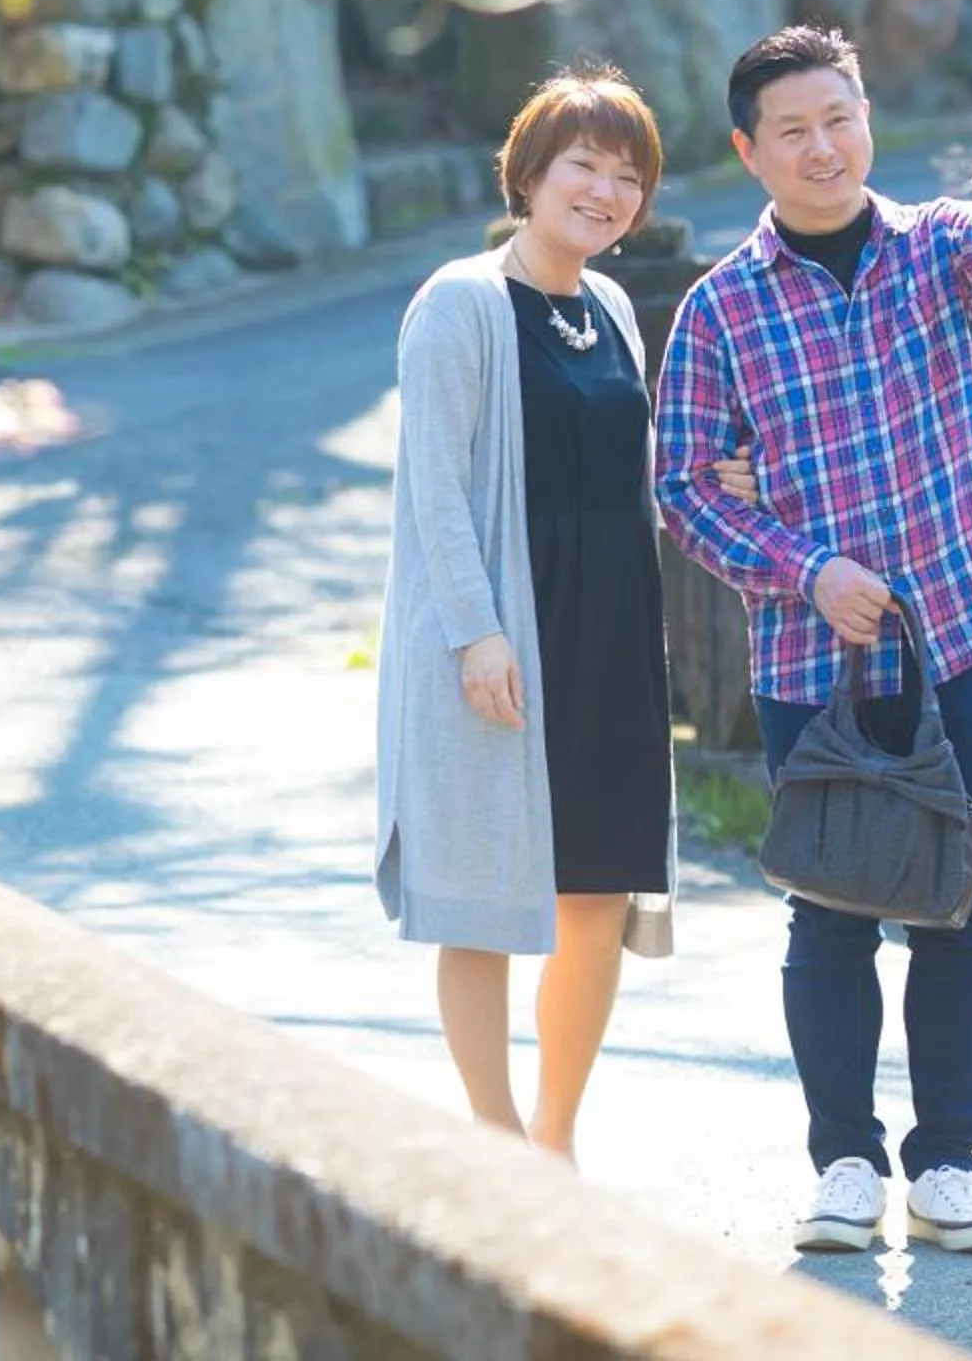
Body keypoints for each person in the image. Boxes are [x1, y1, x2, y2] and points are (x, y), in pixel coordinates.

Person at [653, 24, 972, 1259]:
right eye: (794, 127)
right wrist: (804, 569)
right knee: (827, 909)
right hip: (809, 660)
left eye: (841, 116)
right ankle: (843, 1160)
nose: (823, 145)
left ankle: (949, 1164)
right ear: (749, 150)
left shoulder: (939, 246)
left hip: (966, 630)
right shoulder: (724, 307)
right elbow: (682, 484)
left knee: (958, 905)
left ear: (866, 119)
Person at [374, 62, 751, 1164]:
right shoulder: (459, 302)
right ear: (529, 173)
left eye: (627, 175)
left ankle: (555, 1138)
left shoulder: (615, 310)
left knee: (595, 896)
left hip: (612, 632)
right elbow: (435, 483)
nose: (604, 189)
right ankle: (495, 1142)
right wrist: (474, 631)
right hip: (507, 631)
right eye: (582, 164)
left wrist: (711, 478)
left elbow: (614, 460)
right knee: (485, 898)